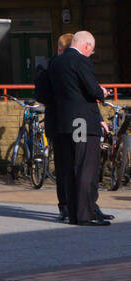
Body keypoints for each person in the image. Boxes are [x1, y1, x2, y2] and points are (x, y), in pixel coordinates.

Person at [47, 31, 110, 226]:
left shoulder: (56, 62)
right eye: (91, 49)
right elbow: (92, 89)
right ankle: (85, 215)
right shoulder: (81, 61)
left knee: (70, 167)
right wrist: (103, 92)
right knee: (85, 167)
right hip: (82, 122)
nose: (91, 53)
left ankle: (73, 213)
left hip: (64, 122)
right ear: (86, 46)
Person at [34, 32, 72, 220]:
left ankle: (79, 203)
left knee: (77, 162)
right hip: (58, 122)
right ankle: (64, 205)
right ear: (60, 50)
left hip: (76, 122)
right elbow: (41, 95)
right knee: (64, 164)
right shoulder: (46, 67)